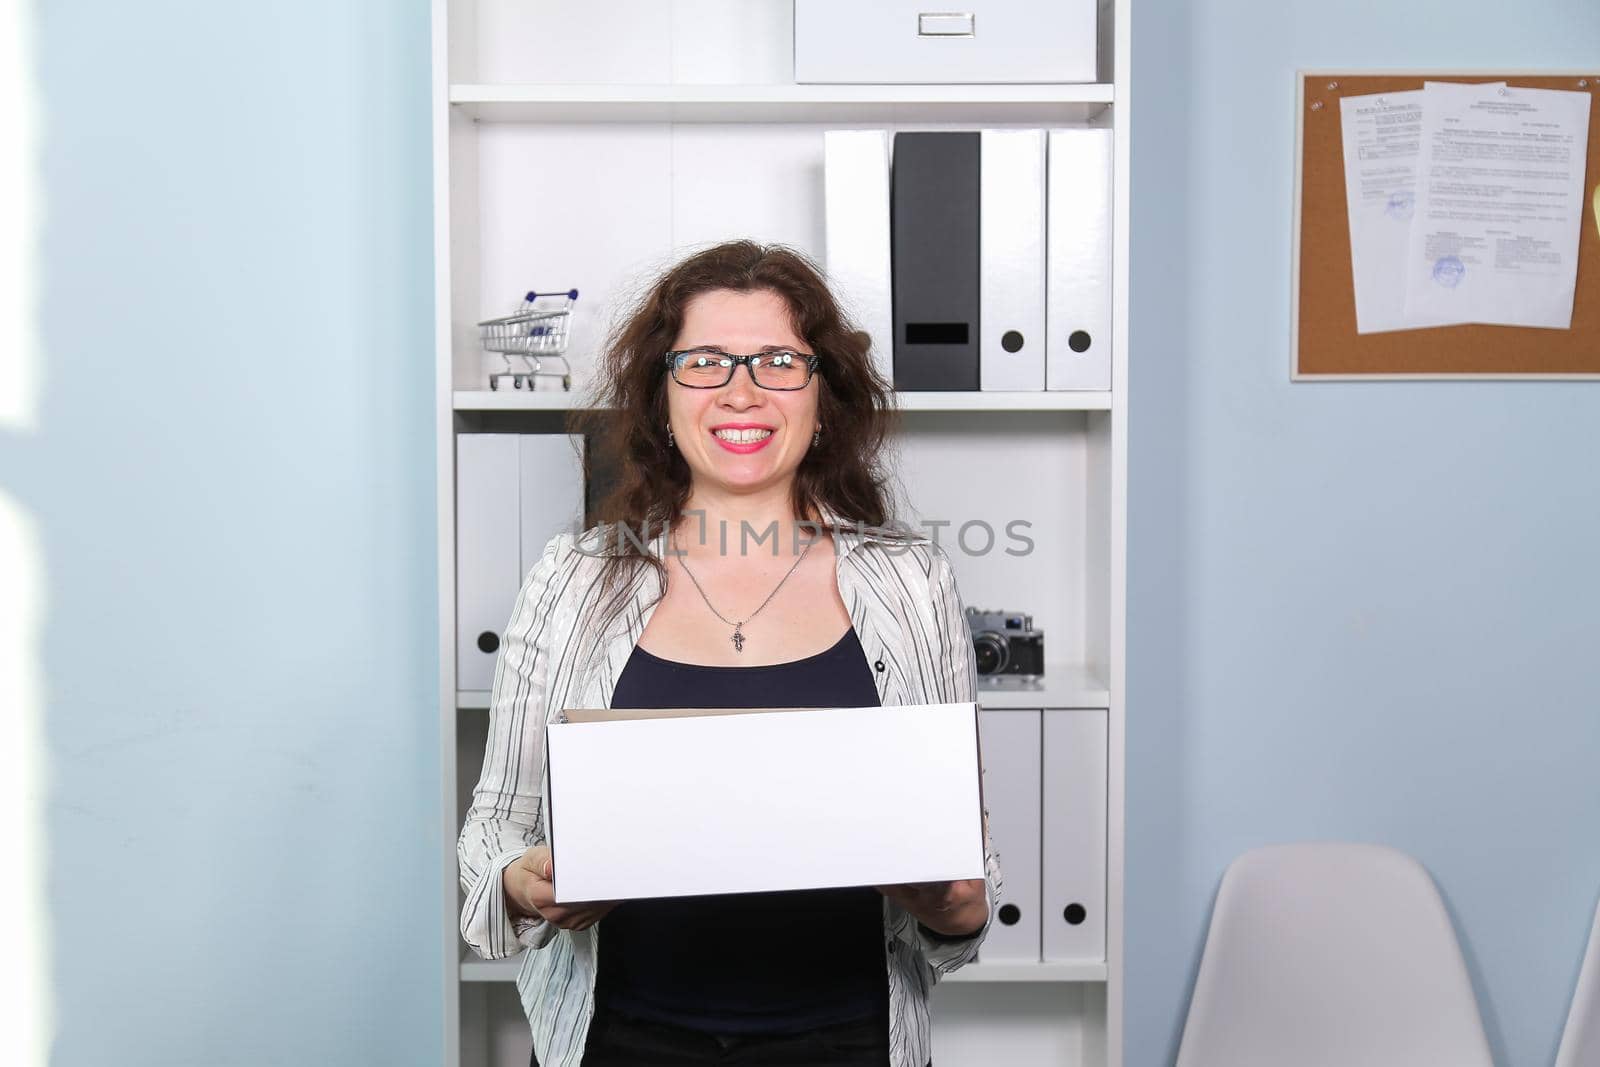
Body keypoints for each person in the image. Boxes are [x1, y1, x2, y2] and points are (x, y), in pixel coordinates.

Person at [457, 240, 1000, 1067]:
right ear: (661, 395)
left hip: (848, 1042)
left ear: (823, 396)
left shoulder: (912, 581)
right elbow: (495, 828)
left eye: (780, 360)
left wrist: (954, 904)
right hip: (618, 1042)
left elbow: (966, 889)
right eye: (705, 361)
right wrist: (527, 879)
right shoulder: (570, 579)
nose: (741, 390)